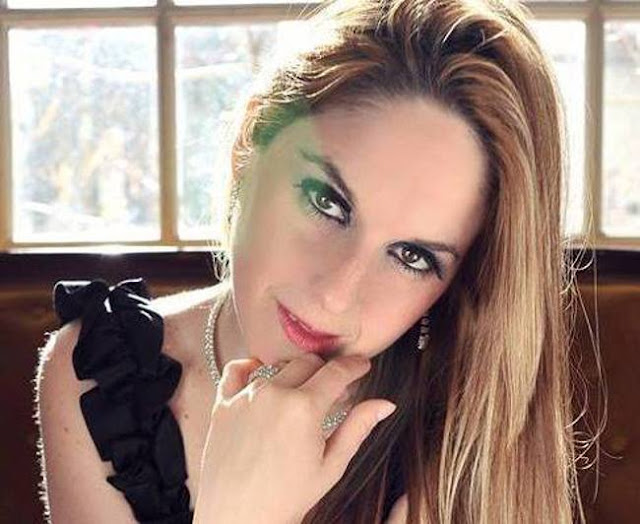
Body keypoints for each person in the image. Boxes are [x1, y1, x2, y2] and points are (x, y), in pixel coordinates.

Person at [34, 0, 600, 522]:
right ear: (251, 143)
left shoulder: (459, 450)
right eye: (326, 202)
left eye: (412, 256)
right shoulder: (100, 375)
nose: (336, 294)